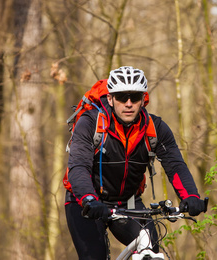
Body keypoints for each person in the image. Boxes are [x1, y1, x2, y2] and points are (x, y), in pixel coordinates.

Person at [65, 66, 205, 259]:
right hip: (85, 202)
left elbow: (175, 165)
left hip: (128, 202)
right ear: (110, 99)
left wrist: (190, 196)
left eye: (135, 97)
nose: (129, 103)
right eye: (122, 97)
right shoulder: (90, 125)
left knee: (149, 250)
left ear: (143, 100)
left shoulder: (155, 128)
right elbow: (78, 167)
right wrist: (89, 198)